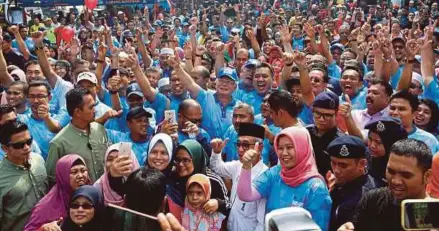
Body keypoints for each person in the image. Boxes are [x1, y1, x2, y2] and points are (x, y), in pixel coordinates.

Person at [237, 127, 332, 231]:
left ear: (302, 148)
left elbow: (319, 228)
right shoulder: (275, 174)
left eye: (290, 147)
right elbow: (246, 195)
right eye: (280, 148)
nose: (284, 153)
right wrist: (246, 166)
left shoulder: (316, 188)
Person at [338, 139, 433, 231]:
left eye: (406, 175)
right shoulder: (372, 200)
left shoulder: (433, 214)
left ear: (427, 176)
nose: (396, 181)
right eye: (391, 171)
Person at [209, 122, 268, 231]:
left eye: (245, 145)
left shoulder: (265, 177)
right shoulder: (238, 166)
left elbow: (262, 223)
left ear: (259, 148)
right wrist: (216, 152)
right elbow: (216, 167)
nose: (240, 149)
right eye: (238, 144)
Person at [46, 88, 110, 185]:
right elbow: (53, 180)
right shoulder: (59, 143)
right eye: (91, 107)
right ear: (78, 112)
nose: (95, 110)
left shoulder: (99, 129)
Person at [167, 140, 230, 223]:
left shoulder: (212, 181)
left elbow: (229, 206)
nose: (180, 164)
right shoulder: (174, 177)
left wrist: (218, 204)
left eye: (186, 160)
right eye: (178, 160)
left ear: (196, 159)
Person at [0, 121, 47, 231]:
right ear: (5, 148)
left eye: (29, 141)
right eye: (19, 145)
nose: (26, 147)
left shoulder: (38, 160)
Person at [327, 135, 381, 231]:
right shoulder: (341, 184)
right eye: (333, 163)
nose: (336, 170)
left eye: (343, 165)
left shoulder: (368, 197)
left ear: (362, 164)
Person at [24, 154, 90, 231]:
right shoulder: (45, 207)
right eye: (74, 172)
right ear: (63, 176)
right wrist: (43, 228)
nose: (80, 176)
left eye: (83, 170)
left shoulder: (92, 195)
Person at [388, 90, 439, 154]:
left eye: (401, 109)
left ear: (414, 114)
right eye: (392, 108)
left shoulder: (429, 140)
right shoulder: (380, 132)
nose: (395, 113)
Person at [307, 91, 345, 177]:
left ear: (336, 114)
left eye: (327, 115)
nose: (321, 119)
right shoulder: (306, 133)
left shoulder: (341, 141)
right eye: (318, 114)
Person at [364, 116, 408, 184]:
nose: (372, 146)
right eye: (370, 139)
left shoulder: (404, 165)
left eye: (378, 142)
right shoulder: (365, 155)